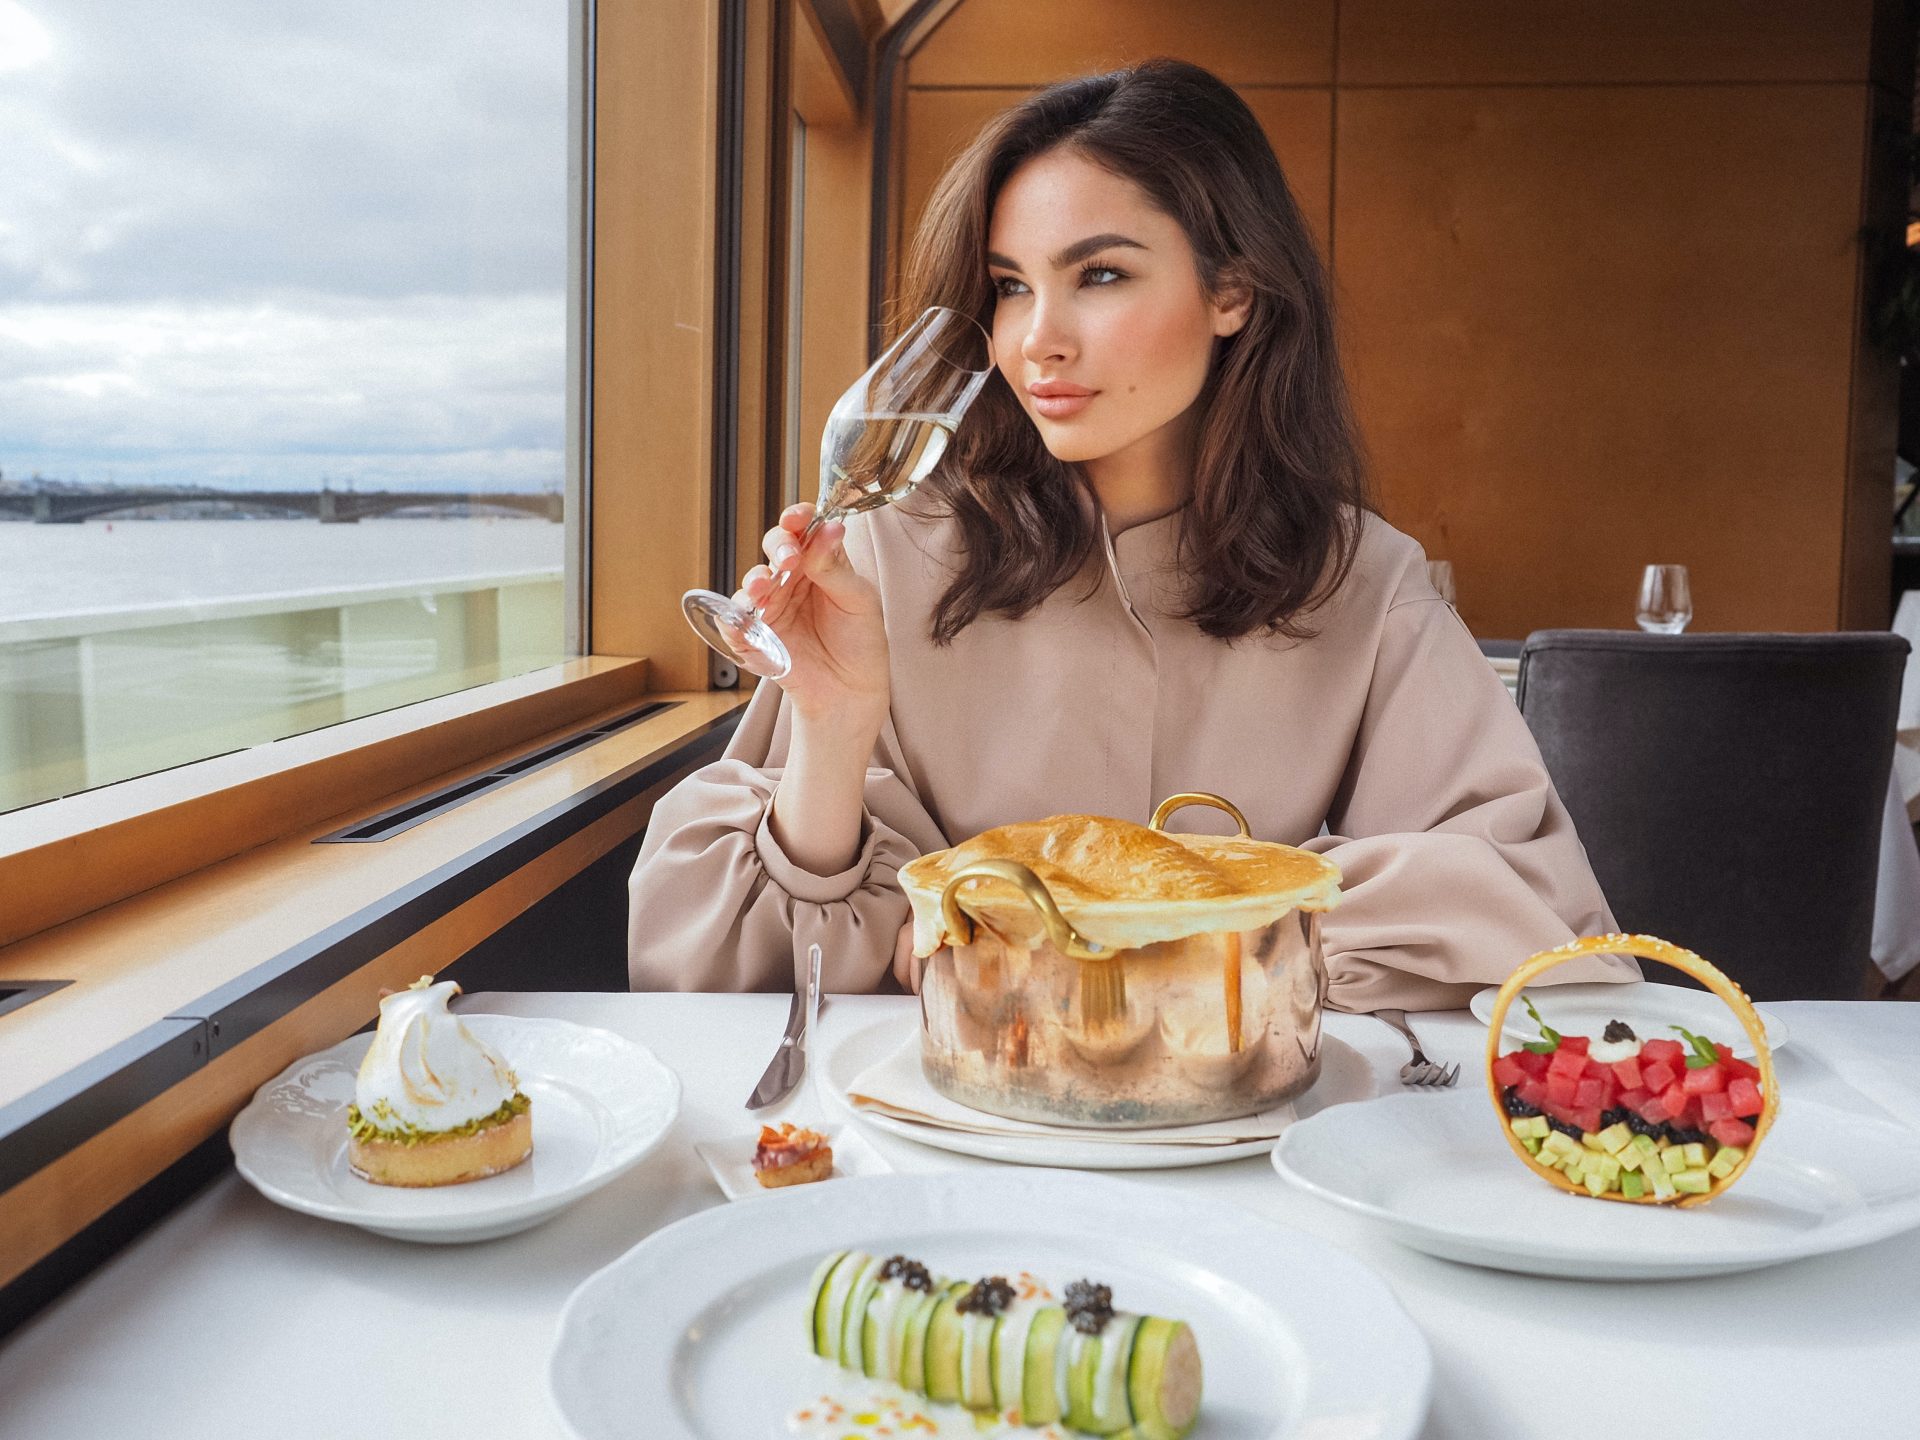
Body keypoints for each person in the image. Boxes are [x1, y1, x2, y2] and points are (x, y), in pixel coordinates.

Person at [628, 58, 1630, 1008]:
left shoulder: (1358, 578)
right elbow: (711, 974)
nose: (1036, 340)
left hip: (1243, 1131)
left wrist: (1116, 938)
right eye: (1012, 285)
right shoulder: (887, 559)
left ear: (1232, 291)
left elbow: (1535, 907)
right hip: (952, 1126)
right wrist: (832, 730)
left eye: (1099, 275)